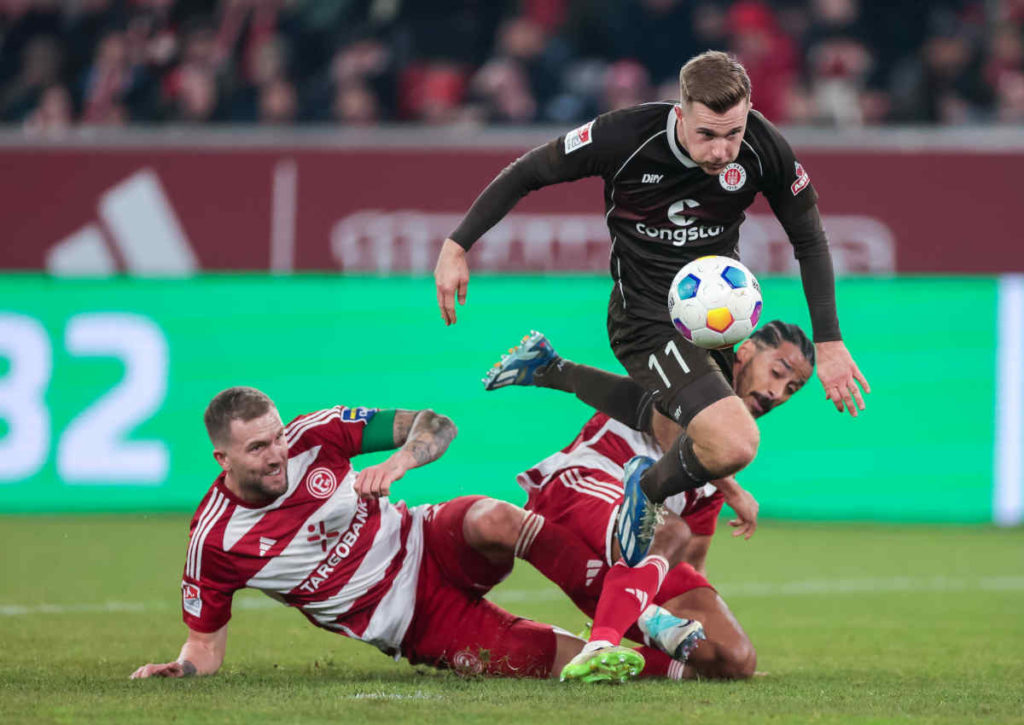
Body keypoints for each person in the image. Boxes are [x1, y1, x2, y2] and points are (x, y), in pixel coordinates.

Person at [434, 50, 869, 561]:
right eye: (707, 134)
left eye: (733, 132)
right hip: (643, 317)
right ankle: (644, 493)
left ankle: (553, 370)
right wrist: (457, 245)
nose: (723, 149)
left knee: (677, 429)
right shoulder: (625, 136)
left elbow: (810, 240)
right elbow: (528, 171)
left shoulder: (764, 147)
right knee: (734, 444)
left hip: (715, 319)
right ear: (680, 114)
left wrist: (830, 341)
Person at [129, 387, 643, 682]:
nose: (278, 454)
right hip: (413, 622)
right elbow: (204, 645)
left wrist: (399, 462)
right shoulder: (215, 541)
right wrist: (183, 670)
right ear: (223, 459)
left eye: (278, 437)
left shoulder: (318, 433)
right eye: (257, 448)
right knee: (562, 667)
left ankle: (645, 619)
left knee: (495, 519)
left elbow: (435, 423)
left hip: (427, 539)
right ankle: (668, 665)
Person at [484, 321, 815, 677]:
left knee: (733, 659)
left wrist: (700, 640)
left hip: (638, 545)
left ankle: (588, 652)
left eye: (791, 388)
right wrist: (733, 490)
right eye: (777, 372)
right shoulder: (692, 373)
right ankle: (603, 642)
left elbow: (692, 564)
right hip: (580, 486)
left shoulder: (725, 458)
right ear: (746, 351)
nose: (777, 392)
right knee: (666, 531)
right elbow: (672, 426)